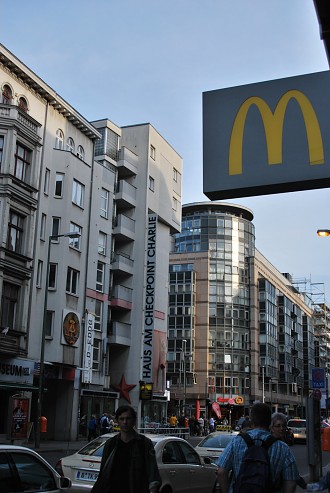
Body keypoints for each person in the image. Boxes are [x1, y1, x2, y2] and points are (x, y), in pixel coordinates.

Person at [216, 402, 299, 493]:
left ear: (252, 422)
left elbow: (221, 472)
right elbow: (291, 481)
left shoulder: (237, 442)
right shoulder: (282, 448)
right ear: (269, 423)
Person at [91, 405, 161, 493]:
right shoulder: (111, 444)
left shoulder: (144, 443)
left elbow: (152, 472)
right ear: (117, 421)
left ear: (133, 421)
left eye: (128, 419)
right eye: (122, 419)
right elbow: (103, 473)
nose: (125, 422)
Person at [270, 412, 306, 490]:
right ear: (272, 428)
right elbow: (292, 476)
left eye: (283, 426)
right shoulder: (282, 447)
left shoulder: (283, 443)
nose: (281, 429)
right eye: (278, 426)